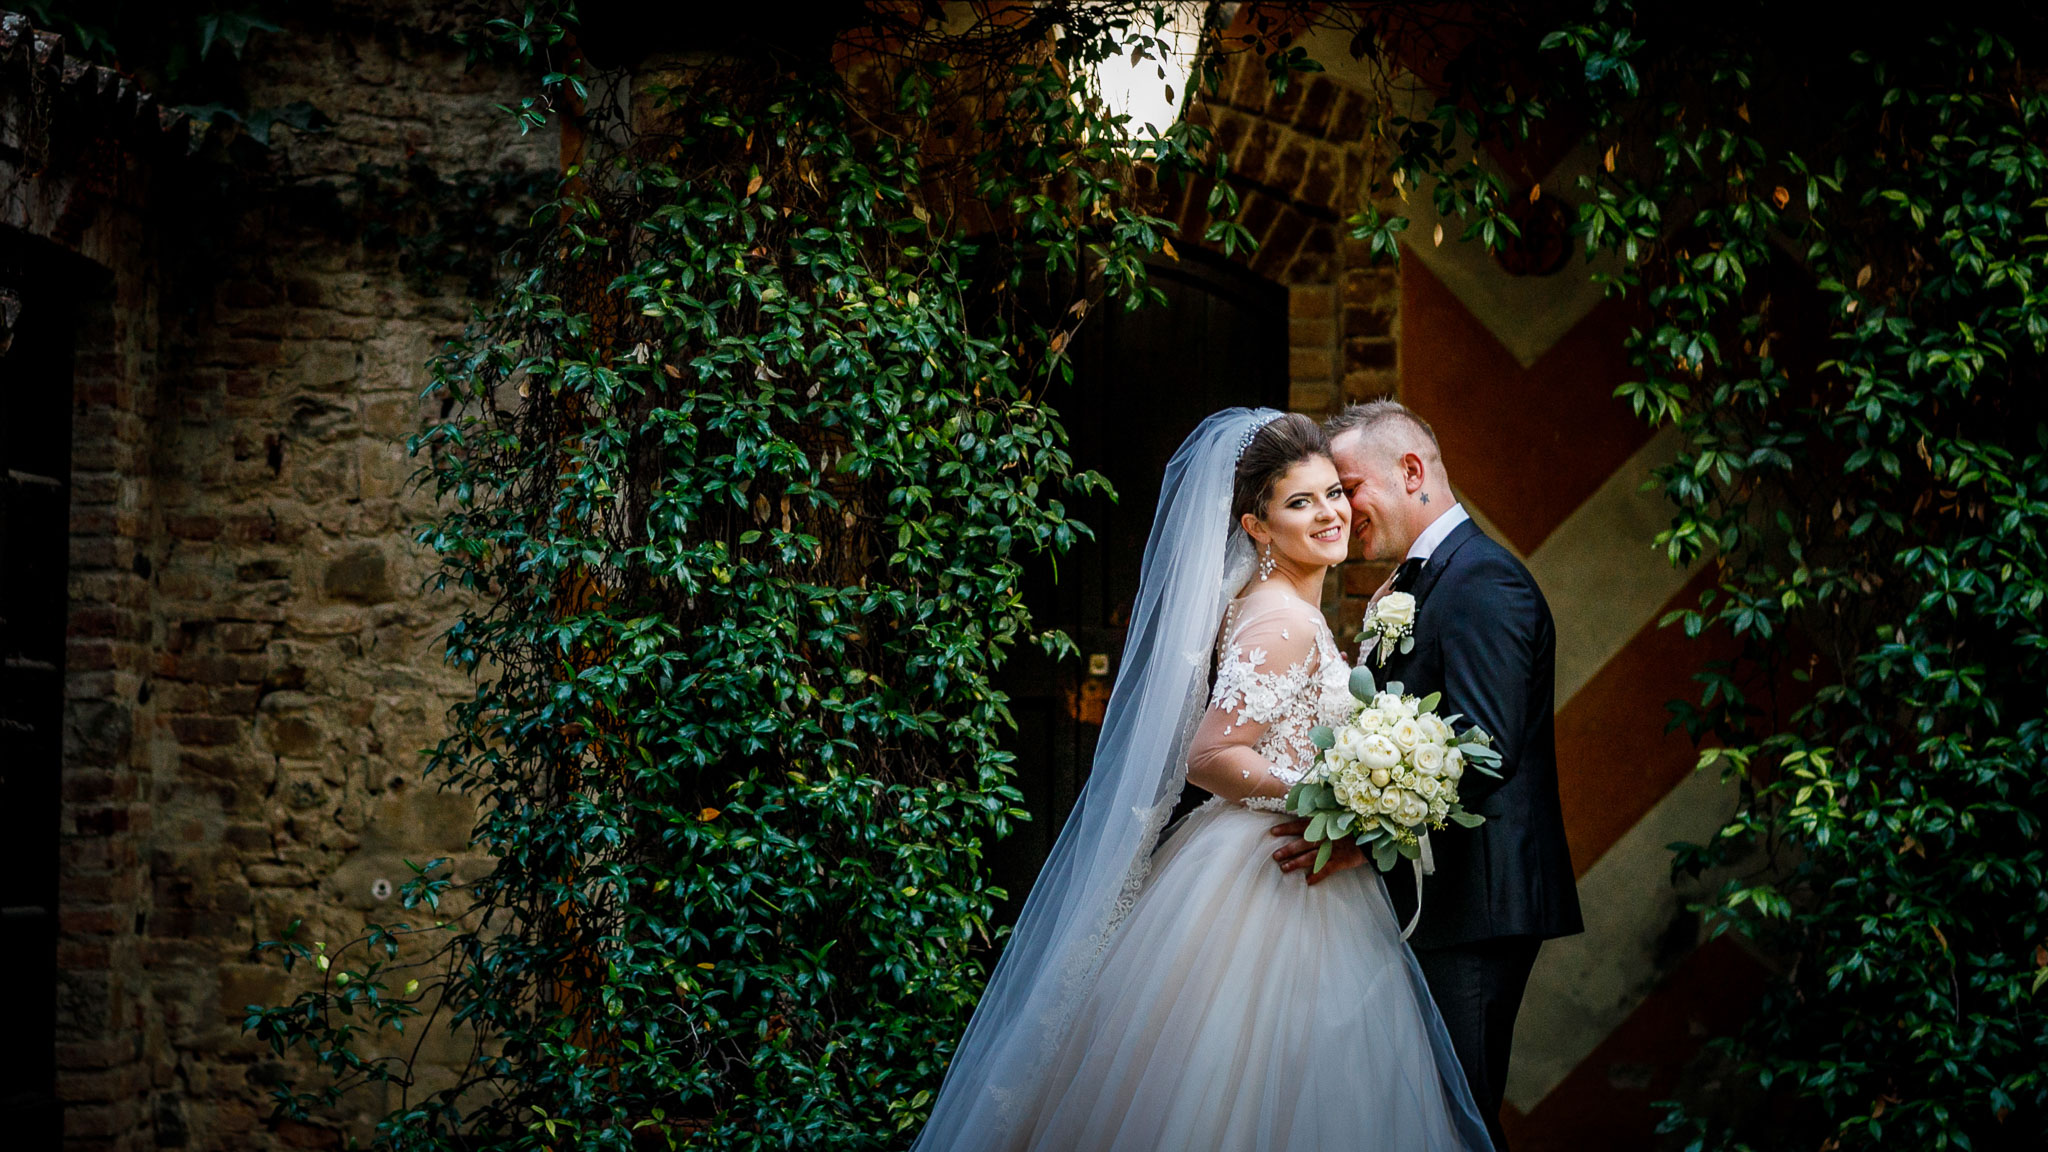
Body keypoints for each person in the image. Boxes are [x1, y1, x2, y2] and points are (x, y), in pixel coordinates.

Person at [913, 409, 1491, 1152]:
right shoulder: (1280, 620)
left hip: (1282, 867)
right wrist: (1332, 798)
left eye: (1332, 495)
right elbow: (1212, 754)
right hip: (1267, 877)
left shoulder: (1283, 609)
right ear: (1256, 528)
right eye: (1300, 502)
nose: (1329, 514)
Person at [1269, 399, 1582, 1151]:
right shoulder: (1422, 581)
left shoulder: (1482, 582)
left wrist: (1359, 834)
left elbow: (1481, 747)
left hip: (1474, 900)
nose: (1343, 509)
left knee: (1454, 1116)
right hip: (1433, 897)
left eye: (1348, 486)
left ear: (1411, 472)